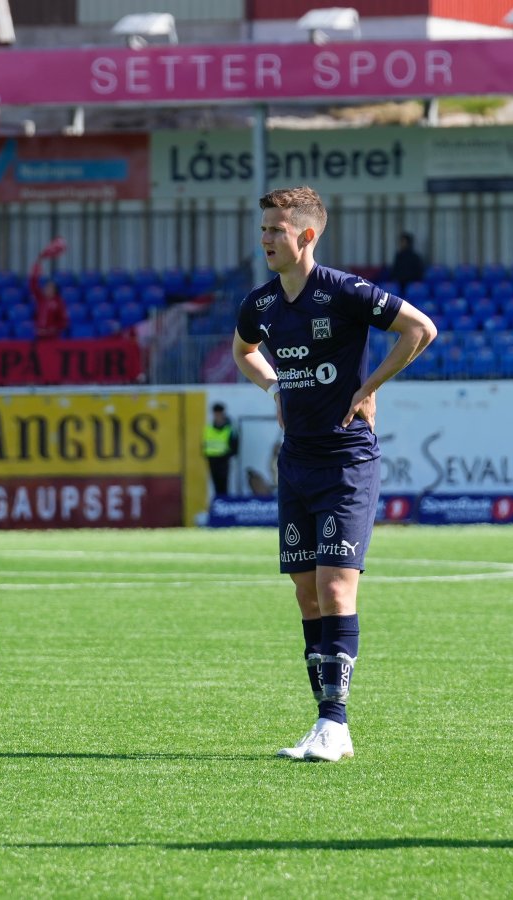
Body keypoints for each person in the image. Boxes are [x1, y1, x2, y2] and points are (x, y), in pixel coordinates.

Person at [232, 186, 436, 763]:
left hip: (347, 459)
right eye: (263, 228)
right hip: (296, 462)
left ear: (306, 235)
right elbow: (244, 351)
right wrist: (274, 387)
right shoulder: (260, 304)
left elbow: (420, 329)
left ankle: (335, 724)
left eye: (276, 229)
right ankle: (324, 721)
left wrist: (369, 387)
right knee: (306, 595)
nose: (265, 238)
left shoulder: (343, 291)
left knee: (334, 587)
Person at [28, 238, 70, 340]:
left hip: (52, 338)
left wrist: (52, 330)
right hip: (39, 336)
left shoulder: (59, 302)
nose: (47, 289)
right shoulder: (40, 298)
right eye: (46, 287)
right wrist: (37, 264)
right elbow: (33, 285)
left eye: (50, 288)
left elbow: (63, 321)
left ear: (55, 290)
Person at [202, 403, 240, 496]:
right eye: (216, 414)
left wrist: (229, 455)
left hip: (223, 459)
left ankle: (224, 500)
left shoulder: (229, 429)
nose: (218, 416)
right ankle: (219, 500)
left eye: (219, 413)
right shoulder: (208, 428)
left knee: (224, 483)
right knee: (215, 483)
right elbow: (204, 443)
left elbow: (234, 445)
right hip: (212, 459)